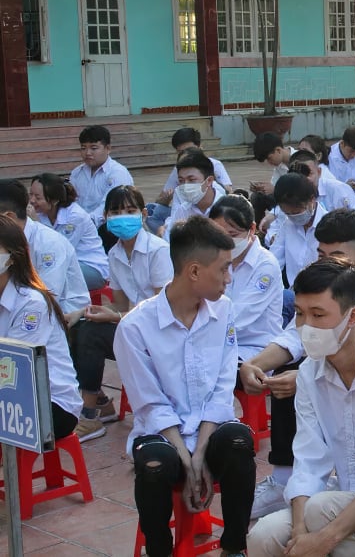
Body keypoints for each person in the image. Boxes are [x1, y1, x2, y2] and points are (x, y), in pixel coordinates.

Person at [113, 216, 255, 557]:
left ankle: (234, 547)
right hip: (163, 435)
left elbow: (222, 388)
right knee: (155, 464)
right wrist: (186, 458)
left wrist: (202, 451)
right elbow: (149, 404)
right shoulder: (135, 327)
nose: (228, 278)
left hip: (210, 428)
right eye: (222, 269)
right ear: (193, 271)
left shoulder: (223, 311)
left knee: (239, 442)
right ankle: (158, 550)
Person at [247, 259, 355, 557]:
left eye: (318, 315)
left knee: (322, 513)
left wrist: (325, 538)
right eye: (301, 315)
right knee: (264, 536)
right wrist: (301, 533)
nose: (307, 327)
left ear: (353, 316)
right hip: (336, 501)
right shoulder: (308, 374)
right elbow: (308, 461)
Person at [71, 186, 173, 442]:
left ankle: (89, 415)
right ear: (105, 217)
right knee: (80, 328)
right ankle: (100, 403)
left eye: (129, 210)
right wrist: (89, 311)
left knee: (92, 334)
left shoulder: (157, 250)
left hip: (161, 331)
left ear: (143, 214)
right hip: (134, 328)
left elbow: (161, 306)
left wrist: (115, 317)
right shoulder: (115, 254)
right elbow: (119, 303)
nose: (122, 216)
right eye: (115, 212)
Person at [0, 214, 82, 440]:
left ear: (11, 258)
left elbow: (11, 369)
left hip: (50, 404)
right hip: (11, 399)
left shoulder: (30, 304)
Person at [209, 195, 284, 364]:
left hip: (254, 350)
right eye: (217, 234)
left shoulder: (266, 266)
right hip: (218, 342)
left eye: (232, 234)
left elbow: (240, 316)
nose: (224, 241)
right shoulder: (214, 258)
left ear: (251, 228)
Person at [0, 179, 89, 321]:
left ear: (9, 217)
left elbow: (47, 297)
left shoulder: (48, 243)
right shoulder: (6, 241)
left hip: (62, 317)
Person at [29, 172, 108, 290]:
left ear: (54, 200)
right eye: (30, 195)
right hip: (64, 265)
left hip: (91, 268)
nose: (32, 200)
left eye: (38, 197)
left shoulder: (75, 216)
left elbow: (58, 249)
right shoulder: (42, 213)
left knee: (47, 277)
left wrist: (36, 223)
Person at [269, 173, 327, 287]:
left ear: (312, 200)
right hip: (294, 290)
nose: (293, 217)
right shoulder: (288, 225)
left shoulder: (329, 226)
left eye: (296, 212)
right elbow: (274, 260)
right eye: (287, 213)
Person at [69, 125, 134, 226]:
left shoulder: (118, 173)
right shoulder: (76, 173)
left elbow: (109, 206)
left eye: (94, 148)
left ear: (108, 148)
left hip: (109, 227)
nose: (87, 153)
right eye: (83, 148)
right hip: (79, 225)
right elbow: (72, 202)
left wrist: (87, 223)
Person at [163, 148, 226, 239]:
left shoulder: (226, 207)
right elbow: (169, 241)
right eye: (181, 181)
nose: (185, 185)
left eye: (192, 180)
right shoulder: (183, 210)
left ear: (209, 181)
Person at [161, 127, 233, 194]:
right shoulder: (178, 170)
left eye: (191, 150)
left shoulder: (215, 164)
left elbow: (229, 191)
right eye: (182, 152)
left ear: (200, 147)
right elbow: (164, 195)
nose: (187, 154)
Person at [288, 149, 355, 211]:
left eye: (308, 173)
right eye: (299, 175)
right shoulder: (287, 195)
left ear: (319, 172)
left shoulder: (340, 190)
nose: (304, 179)